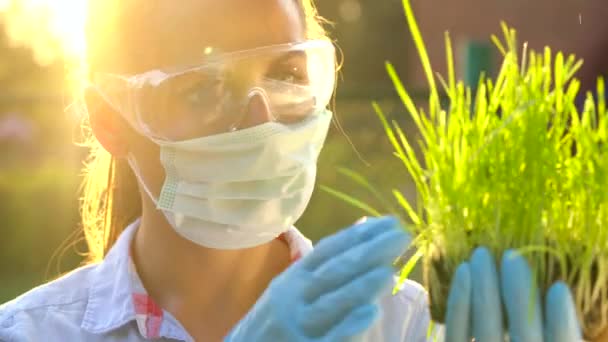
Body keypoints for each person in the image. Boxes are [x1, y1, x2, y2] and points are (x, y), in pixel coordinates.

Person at [0, 0, 583, 341]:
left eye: (287, 73)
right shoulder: (28, 334)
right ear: (111, 121)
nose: (261, 120)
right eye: (204, 86)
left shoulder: (399, 325)